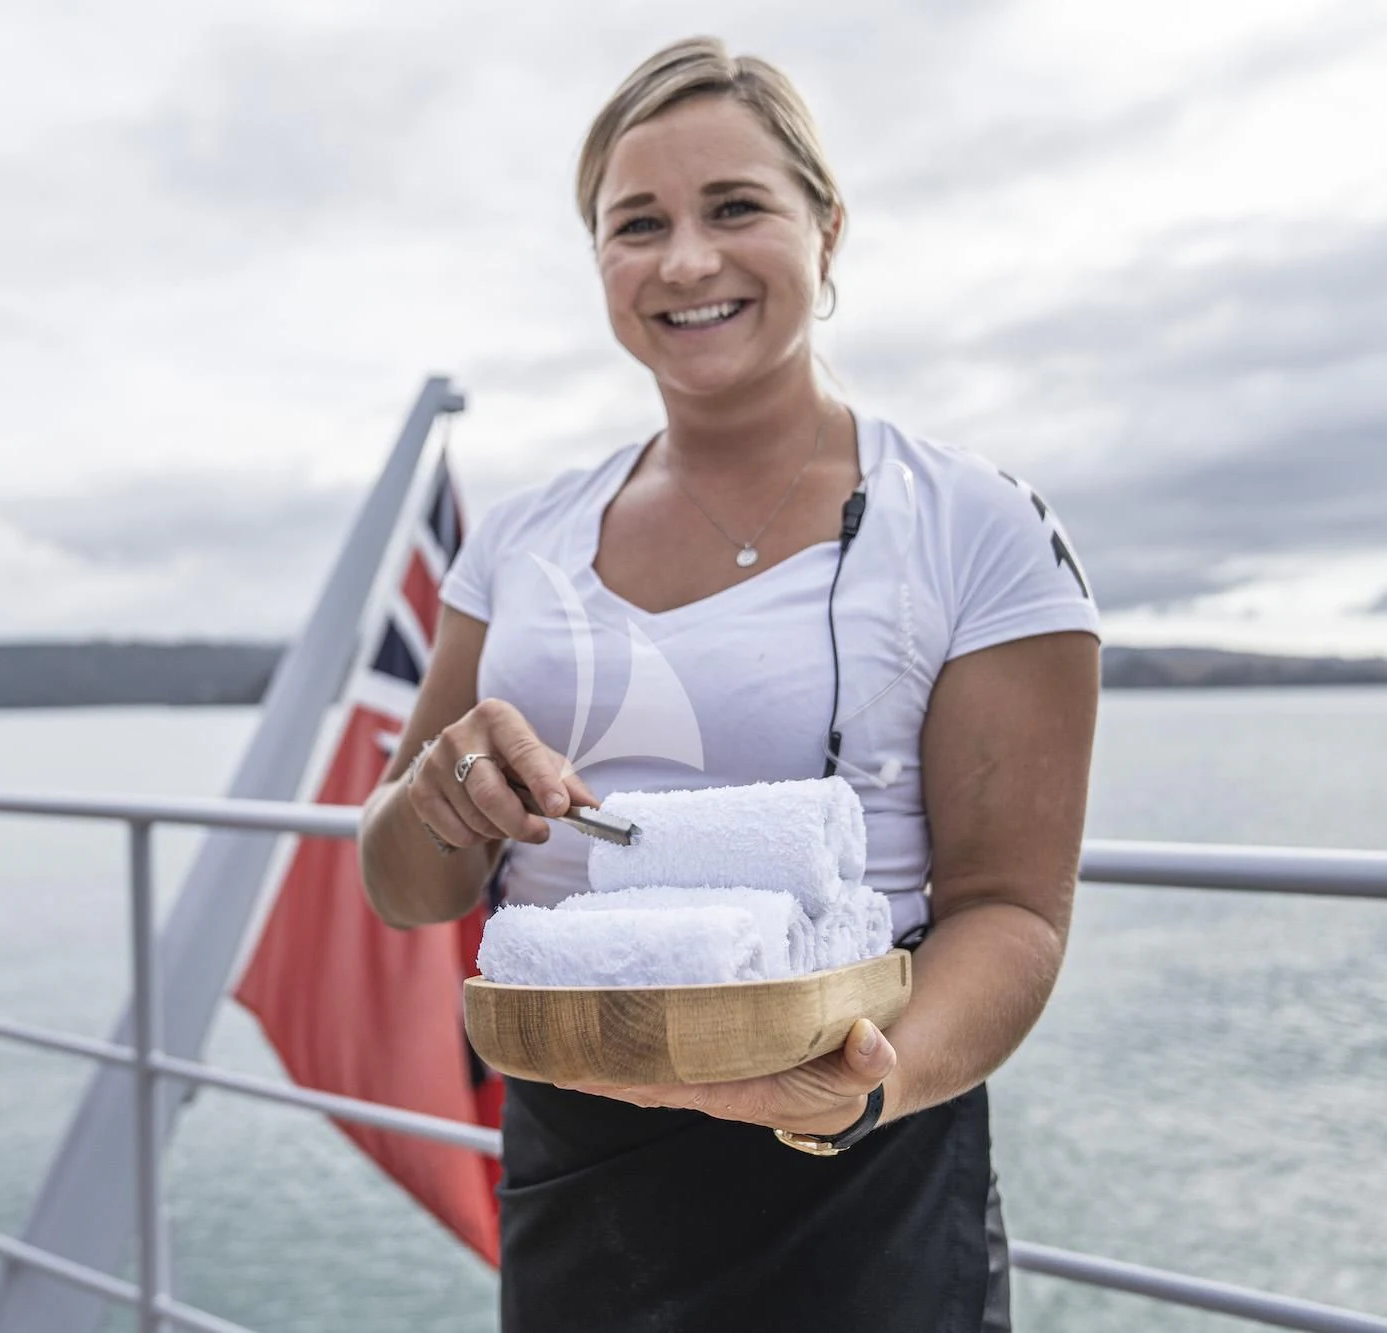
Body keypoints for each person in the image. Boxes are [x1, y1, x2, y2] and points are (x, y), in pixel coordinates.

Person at [358, 35, 1100, 1333]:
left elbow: (1013, 914)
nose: (686, 259)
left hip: (862, 1169)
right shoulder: (517, 542)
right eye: (635, 224)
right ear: (600, 264)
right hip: (576, 1171)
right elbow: (405, 886)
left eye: (736, 207)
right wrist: (443, 798)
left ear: (828, 229)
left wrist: (857, 1090)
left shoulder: (972, 523)